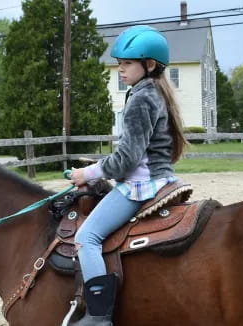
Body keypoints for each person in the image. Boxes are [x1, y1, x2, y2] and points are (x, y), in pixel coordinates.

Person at [68, 25, 188, 326]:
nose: (120, 70)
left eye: (127, 64)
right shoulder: (153, 91)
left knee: (87, 237)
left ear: (149, 65)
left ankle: (98, 317)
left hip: (140, 185)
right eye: (119, 64)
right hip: (159, 177)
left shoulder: (141, 99)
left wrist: (88, 172)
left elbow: (127, 159)